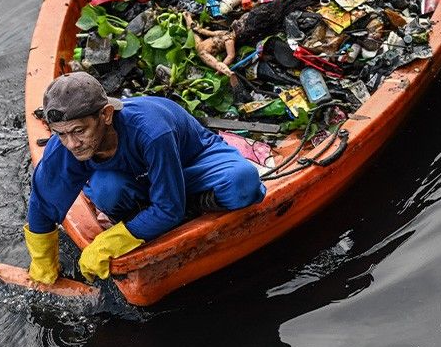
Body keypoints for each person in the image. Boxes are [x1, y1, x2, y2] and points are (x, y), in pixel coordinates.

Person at [25, 71, 266, 284]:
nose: (72, 144)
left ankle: (175, 212)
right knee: (106, 190)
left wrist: (111, 242)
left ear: (106, 115)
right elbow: (43, 205)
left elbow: (169, 208)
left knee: (243, 182)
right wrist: (44, 266)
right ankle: (150, 218)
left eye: (79, 131)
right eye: (61, 134)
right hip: (141, 181)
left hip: (191, 165)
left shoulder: (152, 131)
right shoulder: (64, 146)